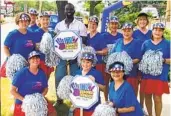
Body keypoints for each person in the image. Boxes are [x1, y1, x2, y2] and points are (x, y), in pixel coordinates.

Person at [54, 3, 87, 104]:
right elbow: (55, 40)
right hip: (61, 57)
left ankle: (75, 99)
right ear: (64, 11)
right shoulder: (59, 25)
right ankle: (59, 98)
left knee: (76, 78)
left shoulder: (80, 25)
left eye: (71, 9)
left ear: (74, 11)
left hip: (75, 57)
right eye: (67, 9)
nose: (69, 11)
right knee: (59, 76)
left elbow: (84, 41)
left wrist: (73, 52)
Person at [10, 51, 57, 116]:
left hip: (37, 101)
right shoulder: (21, 73)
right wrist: (25, 100)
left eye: (37, 58)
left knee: (53, 113)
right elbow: (12, 90)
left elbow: (46, 88)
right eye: (33, 58)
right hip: (23, 102)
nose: (35, 60)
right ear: (29, 60)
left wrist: (40, 97)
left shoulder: (42, 73)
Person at [140, 22, 170, 116]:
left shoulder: (167, 44)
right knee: (147, 97)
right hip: (147, 75)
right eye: (155, 29)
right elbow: (141, 59)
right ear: (152, 31)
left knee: (157, 98)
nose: (157, 32)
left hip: (160, 75)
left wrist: (163, 60)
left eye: (160, 30)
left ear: (162, 32)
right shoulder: (146, 44)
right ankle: (149, 114)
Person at [111, 22, 141, 96]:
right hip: (118, 74)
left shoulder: (136, 43)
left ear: (132, 31)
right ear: (122, 31)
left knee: (131, 95)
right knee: (118, 95)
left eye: (129, 30)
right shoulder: (118, 42)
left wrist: (126, 63)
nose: (126, 33)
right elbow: (113, 55)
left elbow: (138, 58)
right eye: (124, 30)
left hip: (131, 74)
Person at [74, 49, 105, 116]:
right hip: (80, 105)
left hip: (92, 106)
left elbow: (103, 88)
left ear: (92, 63)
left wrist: (94, 83)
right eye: (83, 61)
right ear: (80, 62)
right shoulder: (77, 73)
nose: (85, 64)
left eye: (88, 62)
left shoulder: (97, 73)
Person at [133, 12, 152, 115]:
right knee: (135, 86)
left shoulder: (151, 33)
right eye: (140, 19)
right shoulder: (134, 33)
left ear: (147, 21)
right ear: (137, 21)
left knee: (144, 88)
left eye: (144, 19)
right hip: (136, 63)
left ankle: (141, 108)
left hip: (147, 64)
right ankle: (136, 108)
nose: (142, 21)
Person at [102, 16, 123, 101]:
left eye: (115, 24)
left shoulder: (121, 36)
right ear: (109, 25)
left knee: (117, 82)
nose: (114, 26)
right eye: (112, 24)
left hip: (118, 64)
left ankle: (117, 100)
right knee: (106, 83)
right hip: (106, 63)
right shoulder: (104, 35)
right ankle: (106, 100)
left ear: (118, 25)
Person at [34, 12, 54, 79]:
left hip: (49, 60)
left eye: (47, 19)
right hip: (40, 61)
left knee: (46, 82)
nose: (45, 21)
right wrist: (44, 45)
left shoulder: (52, 32)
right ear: (39, 20)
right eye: (43, 19)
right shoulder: (36, 32)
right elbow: (35, 47)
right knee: (39, 82)